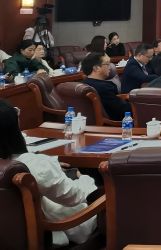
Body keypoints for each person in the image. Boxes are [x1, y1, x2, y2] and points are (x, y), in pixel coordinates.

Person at [0, 100, 98, 247]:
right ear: (12, 128)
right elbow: (75, 197)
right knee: (104, 193)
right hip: (50, 234)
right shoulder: (34, 165)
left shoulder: (30, 164)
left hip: (8, 239)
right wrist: (84, 178)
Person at [81, 53, 130, 120]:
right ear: (96, 68)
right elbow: (122, 110)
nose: (110, 67)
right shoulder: (104, 88)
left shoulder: (83, 83)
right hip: (118, 123)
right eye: (107, 64)